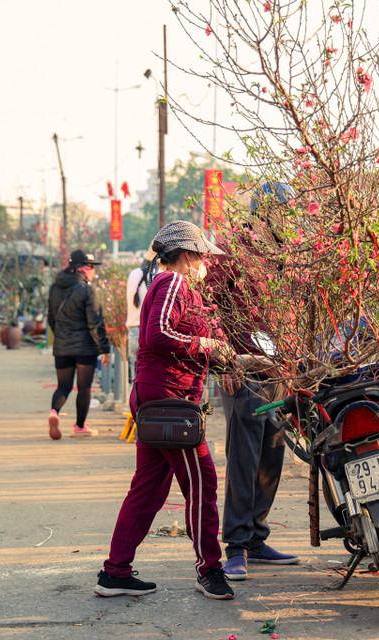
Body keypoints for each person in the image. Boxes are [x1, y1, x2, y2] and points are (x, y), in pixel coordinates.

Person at [96, 220, 239, 601]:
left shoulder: (174, 286)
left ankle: (115, 572)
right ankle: (209, 570)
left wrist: (225, 355)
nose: (207, 262)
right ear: (189, 255)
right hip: (169, 401)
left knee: (147, 490)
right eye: (203, 255)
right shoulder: (173, 282)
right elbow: (158, 335)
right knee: (202, 482)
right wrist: (208, 344)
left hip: (159, 398)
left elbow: (179, 338)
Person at [207, 183, 299, 582]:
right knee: (243, 459)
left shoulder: (290, 256)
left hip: (280, 371)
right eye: (284, 212)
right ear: (265, 213)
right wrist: (224, 360)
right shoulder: (231, 253)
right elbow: (209, 310)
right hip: (243, 372)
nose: (291, 220)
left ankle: (257, 536)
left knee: (271, 458)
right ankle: (237, 546)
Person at [46, 249, 112, 439]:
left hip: (62, 347)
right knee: (84, 387)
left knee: (63, 386)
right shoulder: (87, 289)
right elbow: (95, 322)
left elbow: (51, 319)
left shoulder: (54, 287)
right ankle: (80, 426)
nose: (93, 271)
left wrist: (60, 336)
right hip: (85, 348)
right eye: (91, 267)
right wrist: (104, 349)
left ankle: (54, 412)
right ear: (82, 269)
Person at [124, 246, 155, 376]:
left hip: (133, 334)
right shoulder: (158, 276)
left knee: (137, 381)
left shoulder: (134, 274)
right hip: (149, 334)